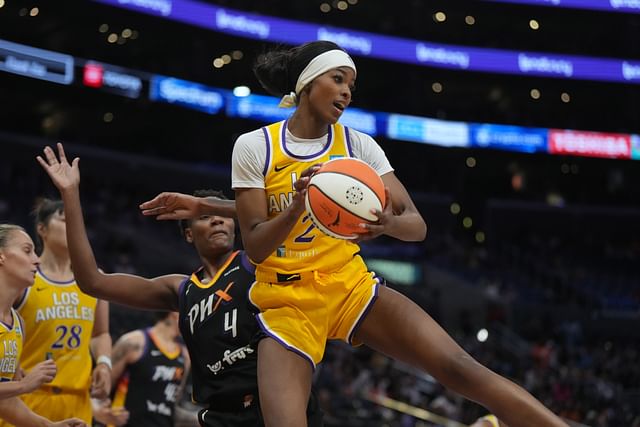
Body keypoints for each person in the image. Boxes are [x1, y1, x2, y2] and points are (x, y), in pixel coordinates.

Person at [140, 41, 568, 427]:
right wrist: (296, 206)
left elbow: (416, 225)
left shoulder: (358, 146)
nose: (347, 91)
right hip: (285, 300)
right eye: (338, 79)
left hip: (348, 285)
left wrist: (388, 224)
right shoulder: (255, 146)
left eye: (352, 85)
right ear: (308, 83)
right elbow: (254, 241)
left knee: (458, 367)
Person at [36, 144, 323, 427]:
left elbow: (268, 215)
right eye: (205, 218)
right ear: (188, 235)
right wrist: (70, 194)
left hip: (277, 403)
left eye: (223, 216)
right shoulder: (182, 289)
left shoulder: (259, 262)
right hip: (222, 414)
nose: (217, 222)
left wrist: (210, 206)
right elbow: (92, 282)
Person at [1, 200, 112, 427]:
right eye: (64, 219)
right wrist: (20, 382)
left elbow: (101, 334)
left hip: (77, 398)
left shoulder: (95, 280)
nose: (72, 226)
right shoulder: (26, 282)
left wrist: (104, 363)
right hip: (31, 395)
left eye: (77, 221)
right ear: (42, 229)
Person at [0, 223, 86, 427]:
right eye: (27, 251)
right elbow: (16, 390)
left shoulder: (17, 322)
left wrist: (50, 426)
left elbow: (6, 403)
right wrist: (23, 385)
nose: (36, 260)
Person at [107, 312, 188, 427]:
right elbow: (101, 389)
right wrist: (101, 414)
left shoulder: (185, 356)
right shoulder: (134, 342)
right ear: (174, 314)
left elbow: (172, 406)